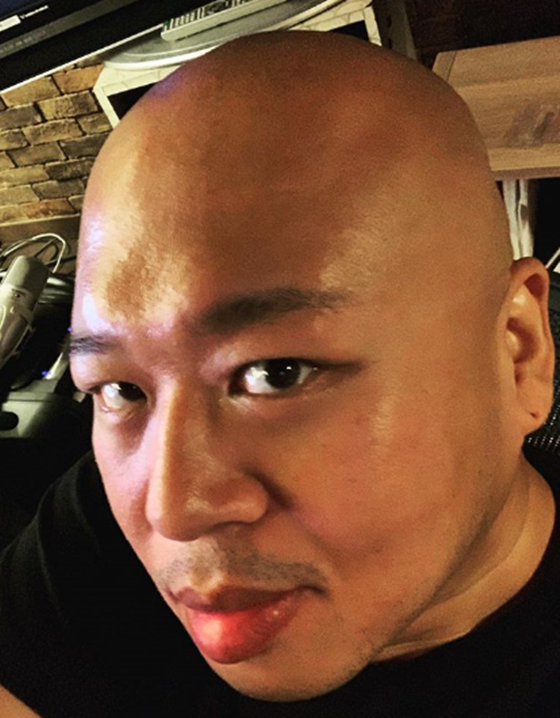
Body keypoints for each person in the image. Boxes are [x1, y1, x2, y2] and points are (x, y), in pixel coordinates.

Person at [0, 30, 558, 717]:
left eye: (276, 373)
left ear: (517, 353)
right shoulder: (94, 526)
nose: (172, 509)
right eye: (121, 389)